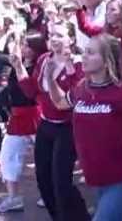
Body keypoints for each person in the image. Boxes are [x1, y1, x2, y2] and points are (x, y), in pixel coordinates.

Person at [45, 34, 122, 221]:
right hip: (97, 178)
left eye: (91, 53)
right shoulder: (82, 88)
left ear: (106, 61)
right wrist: (50, 79)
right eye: (85, 52)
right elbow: (60, 103)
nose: (84, 57)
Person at [13, 22, 90, 221]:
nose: (54, 39)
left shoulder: (79, 64)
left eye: (59, 35)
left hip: (68, 127)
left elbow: (71, 100)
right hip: (46, 125)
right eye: (52, 35)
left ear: (71, 39)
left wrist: (61, 75)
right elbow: (32, 91)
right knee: (43, 180)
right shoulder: (43, 60)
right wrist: (19, 67)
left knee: (61, 182)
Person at [0, 31, 47, 213]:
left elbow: (30, 91)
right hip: (17, 116)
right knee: (7, 156)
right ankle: (13, 197)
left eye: (27, 45)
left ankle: (49, 194)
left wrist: (18, 66)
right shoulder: (19, 62)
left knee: (44, 157)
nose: (23, 48)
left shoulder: (41, 65)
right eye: (22, 44)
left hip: (35, 114)